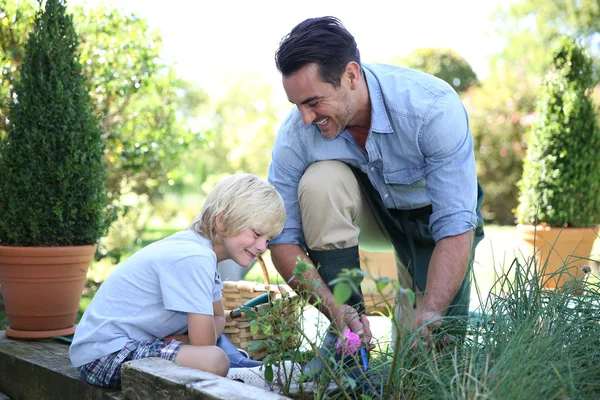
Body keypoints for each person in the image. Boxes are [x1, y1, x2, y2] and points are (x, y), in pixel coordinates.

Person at [267, 16, 485, 353]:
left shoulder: (432, 108)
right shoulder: (296, 134)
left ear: (351, 75)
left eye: (313, 102)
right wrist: (332, 307)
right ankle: (349, 335)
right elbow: (282, 239)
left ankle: (421, 337)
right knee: (322, 181)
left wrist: (431, 310)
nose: (306, 118)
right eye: (297, 106)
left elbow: (456, 223)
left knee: (431, 359)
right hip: (369, 214)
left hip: (433, 224)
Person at [69, 174, 286, 388]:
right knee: (216, 360)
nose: (262, 247)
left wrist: (184, 340)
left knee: (217, 352)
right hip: (106, 355)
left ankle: (243, 371)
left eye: (267, 239)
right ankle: (242, 374)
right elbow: (205, 346)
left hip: (120, 347)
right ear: (222, 221)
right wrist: (189, 341)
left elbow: (219, 318)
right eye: (256, 234)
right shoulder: (195, 258)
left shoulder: (202, 253)